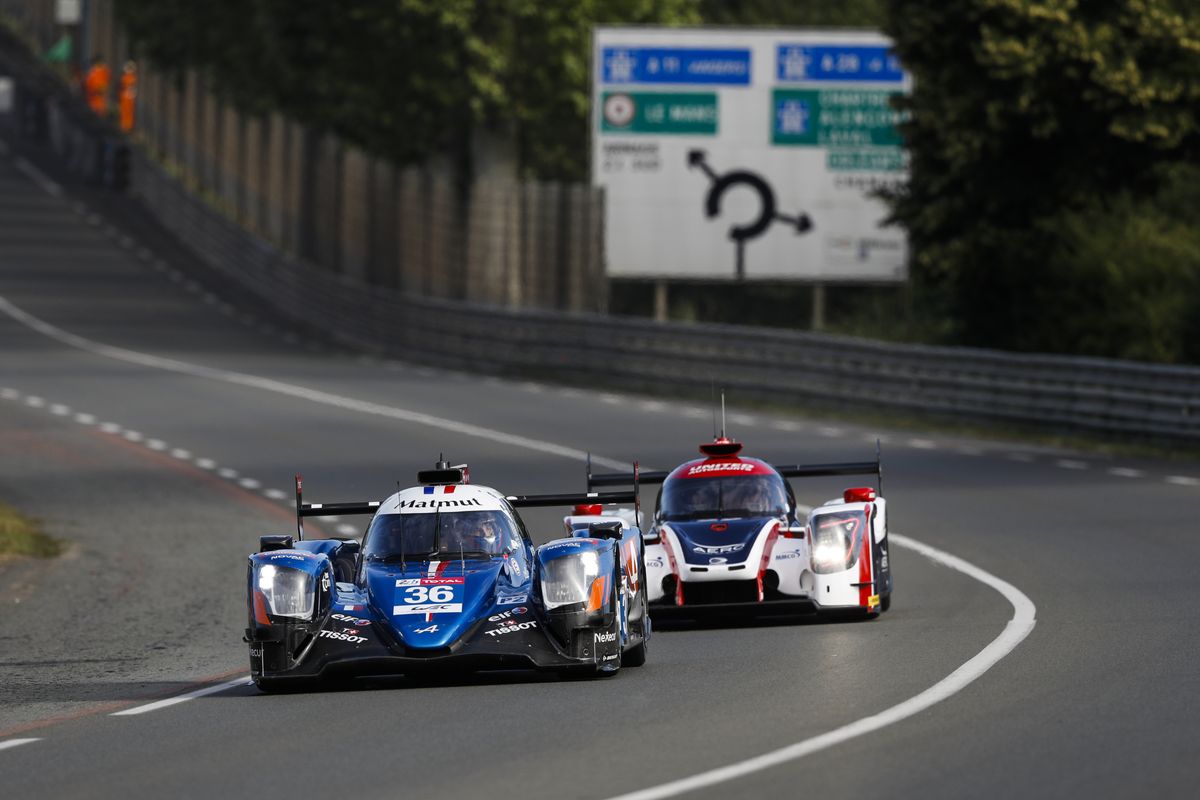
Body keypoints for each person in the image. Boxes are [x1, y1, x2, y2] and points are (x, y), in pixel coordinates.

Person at [118, 60, 137, 132]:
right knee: (126, 111)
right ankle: (126, 126)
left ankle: (127, 126)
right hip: (127, 96)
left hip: (129, 96)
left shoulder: (129, 77)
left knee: (128, 111)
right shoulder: (127, 77)